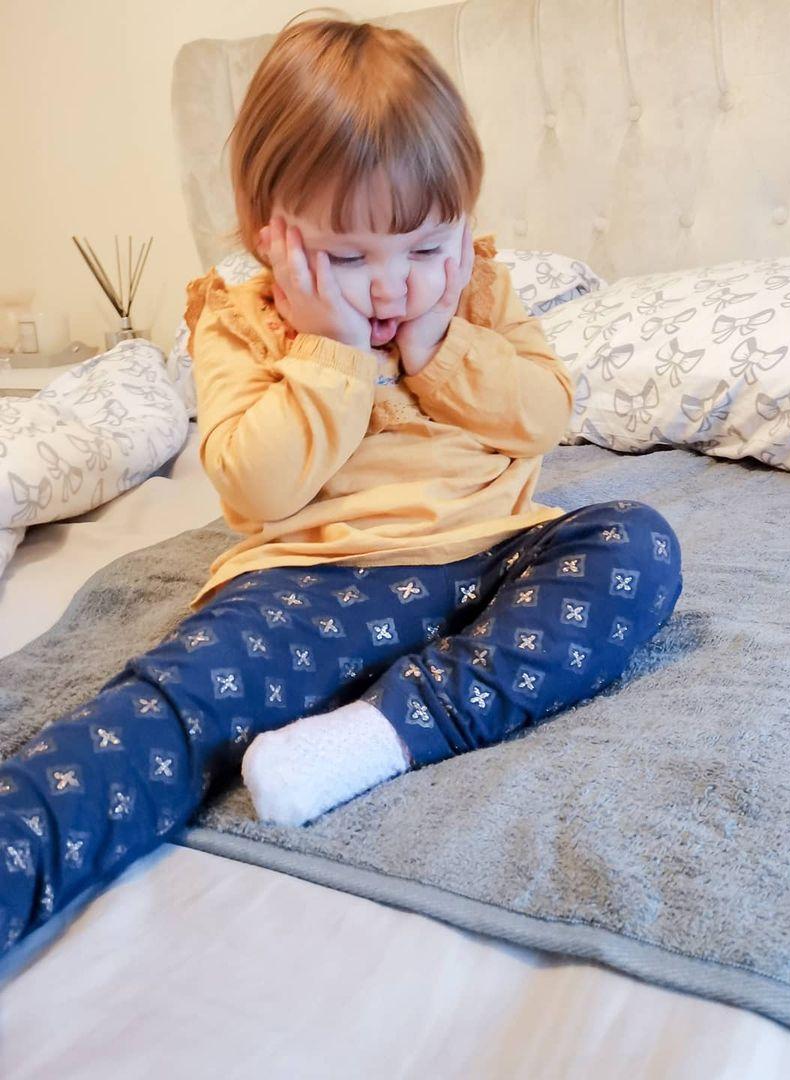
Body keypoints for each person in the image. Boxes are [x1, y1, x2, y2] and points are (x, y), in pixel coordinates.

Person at [0, 16, 681, 957]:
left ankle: (380, 734)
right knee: (167, 711)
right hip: (317, 578)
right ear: (269, 236)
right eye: (350, 259)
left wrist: (439, 347)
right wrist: (331, 350)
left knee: (635, 546)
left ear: (465, 220)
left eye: (425, 246)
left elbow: (542, 412)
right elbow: (252, 486)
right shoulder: (241, 324)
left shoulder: (477, 294)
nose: (393, 286)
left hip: (494, 552)